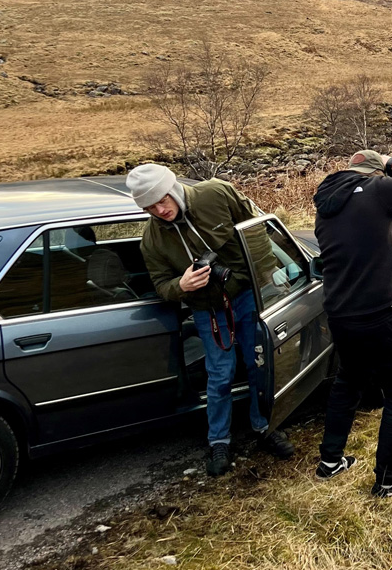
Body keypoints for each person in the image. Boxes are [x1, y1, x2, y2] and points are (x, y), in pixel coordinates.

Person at [126, 163, 296, 477]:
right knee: (220, 374)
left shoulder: (216, 193)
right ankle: (219, 441)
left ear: (173, 188)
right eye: (149, 207)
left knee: (259, 362)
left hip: (248, 296)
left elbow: (257, 232)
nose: (159, 210)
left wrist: (267, 281)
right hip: (208, 310)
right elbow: (161, 284)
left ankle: (265, 426)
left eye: (162, 200)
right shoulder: (152, 239)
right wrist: (181, 286)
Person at [312, 149, 392, 497]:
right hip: (379, 315)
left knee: (349, 380)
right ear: (374, 173)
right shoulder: (375, 189)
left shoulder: (326, 204)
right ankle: (387, 480)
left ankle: (330, 460)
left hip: (340, 314)